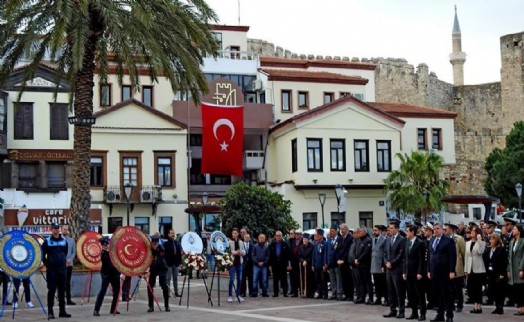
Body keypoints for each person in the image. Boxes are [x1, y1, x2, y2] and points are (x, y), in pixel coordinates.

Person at [427, 223, 457, 322]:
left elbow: (453, 257)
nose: (436, 230)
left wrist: (452, 271)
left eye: (438, 229)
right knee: (437, 294)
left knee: (446, 294)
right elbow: (429, 257)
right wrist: (428, 270)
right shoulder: (432, 240)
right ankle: (440, 315)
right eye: (434, 229)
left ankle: (449, 315)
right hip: (434, 272)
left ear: (442, 230)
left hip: (445, 272)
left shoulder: (448, 241)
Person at [41, 223, 71, 319]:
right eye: (54, 228)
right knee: (52, 291)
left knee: (62, 291)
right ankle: (50, 312)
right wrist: (48, 264)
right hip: (52, 271)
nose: (56, 230)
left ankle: (62, 311)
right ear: (51, 229)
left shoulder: (64, 241)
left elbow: (65, 253)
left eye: (58, 228)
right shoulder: (47, 241)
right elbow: (42, 256)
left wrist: (62, 261)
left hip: (62, 269)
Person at [382, 221, 406, 319]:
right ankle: (393, 310)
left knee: (399, 291)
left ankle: (401, 310)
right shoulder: (387, 240)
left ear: (397, 229)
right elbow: (384, 253)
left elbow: (401, 254)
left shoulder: (402, 240)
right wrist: (386, 262)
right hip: (389, 269)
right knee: (390, 291)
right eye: (389, 228)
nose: (389, 230)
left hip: (397, 269)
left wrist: (392, 263)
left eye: (391, 228)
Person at [403, 224, 427, 321]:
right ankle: (414, 312)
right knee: (411, 294)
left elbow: (422, 259)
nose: (406, 233)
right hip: (409, 273)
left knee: (420, 294)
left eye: (408, 231)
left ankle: (422, 313)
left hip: (417, 273)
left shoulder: (420, 243)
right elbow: (405, 259)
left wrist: (420, 272)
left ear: (412, 232)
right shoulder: (407, 242)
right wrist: (404, 272)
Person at [93, 236, 120, 316]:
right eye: (105, 244)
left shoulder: (111, 253)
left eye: (107, 244)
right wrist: (118, 270)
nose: (107, 246)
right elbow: (109, 265)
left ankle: (113, 309)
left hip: (114, 275)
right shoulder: (103, 254)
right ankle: (96, 310)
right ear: (102, 245)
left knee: (117, 292)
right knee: (102, 291)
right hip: (106, 274)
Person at [483, 233, 507, 314]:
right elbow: (486, 259)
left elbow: (504, 262)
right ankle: (497, 306)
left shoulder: (501, 249)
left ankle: (500, 307)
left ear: (496, 240)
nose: (491, 241)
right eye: (490, 239)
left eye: (493, 239)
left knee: (499, 290)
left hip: (498, 273)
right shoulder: (489, 249)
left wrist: (502, 274)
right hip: (490, 273)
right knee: (492, 290)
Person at [464, 225, 486, 314]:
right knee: (471, 288)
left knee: (478, 289)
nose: (472, 233)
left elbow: (481, 252)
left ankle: (478, 307)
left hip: (479, 269)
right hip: (470, 268)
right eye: (471, 231)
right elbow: (466, 256)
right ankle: (475, 305)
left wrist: (480, 240)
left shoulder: (482, 242)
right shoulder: (467, 243)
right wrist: (465, 269)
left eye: (474, 231)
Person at [444, 223, 465, 313]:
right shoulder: (445, 239)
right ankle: (451, 305)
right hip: (448, 267)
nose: (445, 231)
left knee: (458, 288)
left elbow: (463, 253)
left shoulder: (459, 239)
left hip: (458, 266)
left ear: (451, 229)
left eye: (447, 229)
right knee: (450, 288)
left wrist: (464, 268)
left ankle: (460, 304)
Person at [147, 236, 170, 312]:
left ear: (158, 243)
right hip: (153, 269)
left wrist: (150, 271)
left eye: (156, 244)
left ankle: (167, 305)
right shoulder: (150, 249)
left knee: (164, 286)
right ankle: (151, 306)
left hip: (162, 268)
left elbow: (158, 261)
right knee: (149, 286)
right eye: (153, 244)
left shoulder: (161, 249)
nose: (154, 245)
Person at [352, 227, 372, 304]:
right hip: (358, 264)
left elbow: (366, 252)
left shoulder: (368, 240)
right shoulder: (358, 240)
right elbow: (355, 251)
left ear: (364, 232)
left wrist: (358, 259)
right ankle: (362, 297)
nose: (359, 233)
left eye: (360, 231)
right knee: (361, 282)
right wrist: (355, 259)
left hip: (365, 264)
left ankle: (370, 298)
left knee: (368, 282)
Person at [507, 224, 524, 316]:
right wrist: (508, 270)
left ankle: (523, 309)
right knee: (516, 289)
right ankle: (520, 309)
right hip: (513, 269)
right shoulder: (512, 242)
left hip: (520, 268)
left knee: (521, 289)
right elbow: (509, 256)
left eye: (514, 229)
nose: (513, 230)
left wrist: (522, 269)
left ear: (519, 231)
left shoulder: (523, 241)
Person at [268, 230, 291, 297]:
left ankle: (285, 293)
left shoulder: (285, 244)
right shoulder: (272, 245)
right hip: (275, 265)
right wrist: (270, 265)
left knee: (284, 279)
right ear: (275, 236)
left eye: (279, 235)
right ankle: (275, 293)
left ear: (281, 236)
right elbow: (270, 256)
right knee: (275, 279)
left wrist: (288, 264)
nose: (278, 237)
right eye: (277, 235)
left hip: (283, 265)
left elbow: (288, 255)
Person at [370, 224, 387, 306]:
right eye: (373, 230)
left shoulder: (384, 240)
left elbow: (384, 253)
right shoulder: (373, 240)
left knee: (383, 283)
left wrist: (383, 265)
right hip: (374, 264)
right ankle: (378, 298)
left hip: (380, 264)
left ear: (380, 231)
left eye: (376, 230)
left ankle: (386, 298)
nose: (374, 232)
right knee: (376, 283)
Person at [227, 228, 245, 303]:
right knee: (231, 279)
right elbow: (229, 252)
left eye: (235, 233)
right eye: (233, 233)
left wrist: (240, 252)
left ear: (238, 234)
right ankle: (230, 295)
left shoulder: (241, 242)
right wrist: (235, 252)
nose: (234, 234)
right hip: (232, 263)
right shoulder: (229, 242)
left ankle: (238, 295)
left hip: (239, 263)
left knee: (239, 279)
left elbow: (244, 251)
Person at [337, 223, 354, 302]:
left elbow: (348, 251)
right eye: (341, 229)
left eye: (343, 229)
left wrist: (343, 260)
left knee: (349, 279)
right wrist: (338, 259)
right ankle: (346, 294)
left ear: (346, 229)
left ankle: (350, 295)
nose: (341, 231)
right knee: (343, 279)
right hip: (340, 262)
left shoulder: (350, 238)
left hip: (347, 262)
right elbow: (337, 249)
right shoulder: (340, 238)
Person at [164, 229, 182, 297]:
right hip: (169, 264)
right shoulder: (166, 244)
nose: (173, 235)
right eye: (171, 233)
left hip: (176, 263)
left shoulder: (177, 242)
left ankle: (176, 292)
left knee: (175, 278)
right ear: (168, 234)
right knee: (168, 278)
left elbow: (179, 253)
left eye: (173, 233)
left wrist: (180, 262)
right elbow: (164, 254)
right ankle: (167, 293)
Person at [61, 225, 76, 306]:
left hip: (69, 264)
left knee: (68, 282)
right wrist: (64, 260)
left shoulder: (71, 240)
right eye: (64, 229)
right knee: (61, 282)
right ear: (61, 230)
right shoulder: (59, 240)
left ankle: (69, 299)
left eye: (67, 229)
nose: (65, 231)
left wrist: (70, 259)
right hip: (61, 264)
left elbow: (74, 251)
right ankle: (61, 299)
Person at [251, 233, 269, 297]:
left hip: (264, 266)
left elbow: (268, 256)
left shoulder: (267, 247)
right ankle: (254, 293)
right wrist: (257, 262)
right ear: (258, 238)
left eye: (263, 238)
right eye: (260, 237)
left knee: (264, 280)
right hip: (256, 265)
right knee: (255, 280)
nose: (261, 239)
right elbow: (253, 256)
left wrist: (263, 262)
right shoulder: (255, 246)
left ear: (265, 239)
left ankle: (264, 293)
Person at [312, 229, 328, 299]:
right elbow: (313, 255)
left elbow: (325, 255)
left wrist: (325, 264)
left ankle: (325, 294)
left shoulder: (325, 244)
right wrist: (312, 265)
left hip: (322, 265)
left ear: (321, 236)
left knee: (323, 280)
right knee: (317, 280)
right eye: (316, 236)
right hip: (316, 265)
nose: (316, 237)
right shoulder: (315, 244)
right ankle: (320, 293)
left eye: (318, 236)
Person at [298, 233, 314, 298]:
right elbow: (299, 256)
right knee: (303, 279)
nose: (305, 240)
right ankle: (303, 292)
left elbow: (311, 256)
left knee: (309, 280)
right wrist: (302, 261)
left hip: (309, 265)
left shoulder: (311, 246)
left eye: (306, 239)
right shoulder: (301, 246)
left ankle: (310, 293)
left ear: (308, 240)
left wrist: (306, 261)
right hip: (302, 265)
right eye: (304, 239)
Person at [288, 229, 302, 297]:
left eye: (298, 234)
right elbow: (291, 253)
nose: (297, 235)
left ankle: (301, 291)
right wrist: (290, 263)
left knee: (299, 278)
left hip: (300, 262)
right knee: (294, 278)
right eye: (296, 234)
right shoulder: (294, 242)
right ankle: (295, 292)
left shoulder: (302, 242)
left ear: (301, 235)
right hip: (293, 262)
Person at [240, 233, 253, 298]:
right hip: (243, 264)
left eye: (248, 237)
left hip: (250, 265)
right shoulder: (241, 245)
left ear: (249, 238)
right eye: (246, 237)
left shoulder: (252, 245)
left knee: (251, 279)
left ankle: (251, 292)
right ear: (243, 238)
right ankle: (243, 293)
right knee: (243, 279)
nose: (247, 238)